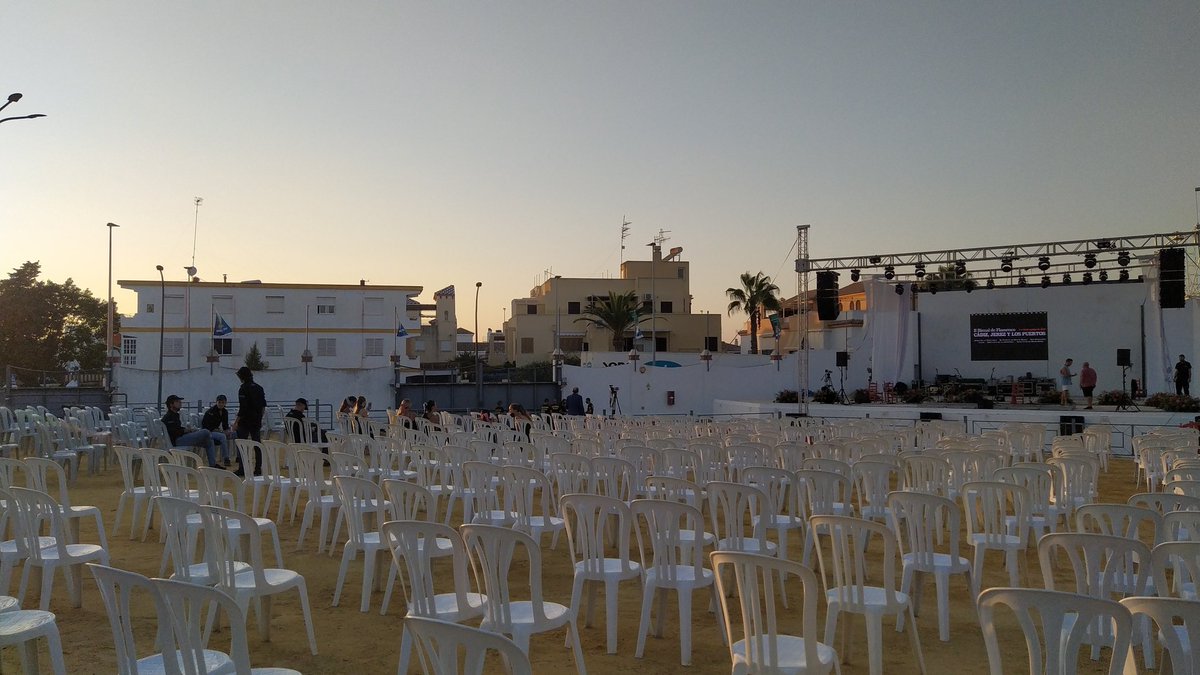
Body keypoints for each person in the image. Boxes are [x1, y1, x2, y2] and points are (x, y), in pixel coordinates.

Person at [162, 395, 219, 467]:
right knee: (205, 432)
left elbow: (176, 429)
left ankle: (213, 465)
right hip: (177, 441)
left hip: (180, 438)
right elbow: (173, 432)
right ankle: (216, 443)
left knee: (209, 441)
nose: (180, 403)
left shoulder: (174, 415)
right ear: (171, 404)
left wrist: (187, 430)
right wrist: (186, 431)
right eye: (177, 402)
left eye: (180, 401)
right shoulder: (169, 417)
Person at [233, 366, 266, 477]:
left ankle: (243, 469)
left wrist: (236, 422)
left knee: (242, 445)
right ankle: (258, 469)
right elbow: (263, 407)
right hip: (256, 420)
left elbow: (243, 408)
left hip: (245, 421)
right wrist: (259, 418)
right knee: (257, 444)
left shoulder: (243, 389)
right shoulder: (259, 388)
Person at [201, 394, 232, 466]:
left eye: (223, 402)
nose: (221, 404)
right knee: (222, 437)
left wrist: (227, 430)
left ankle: (238, 457)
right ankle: (226, 458)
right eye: (219, 402)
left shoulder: (225, 412)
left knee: (235, 434)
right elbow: (205, 425)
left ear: (225, 403)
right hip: (208, 432)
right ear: (216, 402)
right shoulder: (211, 411)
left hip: (217, 431)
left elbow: (225, 425)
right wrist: (217, 430)